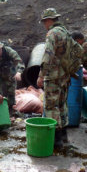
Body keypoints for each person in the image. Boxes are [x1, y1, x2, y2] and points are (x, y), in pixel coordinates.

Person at [36, 8, 73, 148]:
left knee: (51, 106)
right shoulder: (66, 33)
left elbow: (48, 55)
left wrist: (41, 75)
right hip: (65, 75)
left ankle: (56, 140)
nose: (44, 25)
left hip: (53, 76)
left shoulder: (52, 33)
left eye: (44, 22)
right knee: (62, 104)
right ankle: (64, 136)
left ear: (49, 20)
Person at [0, 38, 25, 116]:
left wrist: (19, 72)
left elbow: (20, 62)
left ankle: (11, 110)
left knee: (11, 90)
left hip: (9, 72)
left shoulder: (9, 51)